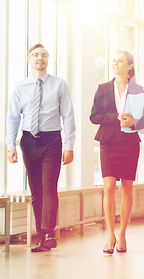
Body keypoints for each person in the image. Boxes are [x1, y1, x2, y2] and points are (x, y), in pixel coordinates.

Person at [6, 43, 76, 252]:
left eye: (44, 55)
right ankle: (41, 235)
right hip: (28, 141)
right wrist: (11, 145)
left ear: (48, 60)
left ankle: (48, 233)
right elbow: (12, 118)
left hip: (52, 142)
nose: (40, 58)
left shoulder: (59, 84)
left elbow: (68, 116)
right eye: (35, 55)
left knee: (49, 187)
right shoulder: (20, 86)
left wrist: (69, 145)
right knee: (36, 191)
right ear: (29, 60)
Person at [90, 51, 144, 255]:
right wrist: (115, 116)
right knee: (108, 187)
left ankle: (122, 233)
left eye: (120, 61)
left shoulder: (137, 90)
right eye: (113, 60)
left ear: (130, 67)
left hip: (129, 143)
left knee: (127, 189)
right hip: (108, 143)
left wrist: (134, 122)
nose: (115, 63)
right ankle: (110, 235)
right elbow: (94, 116)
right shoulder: (103, 88)